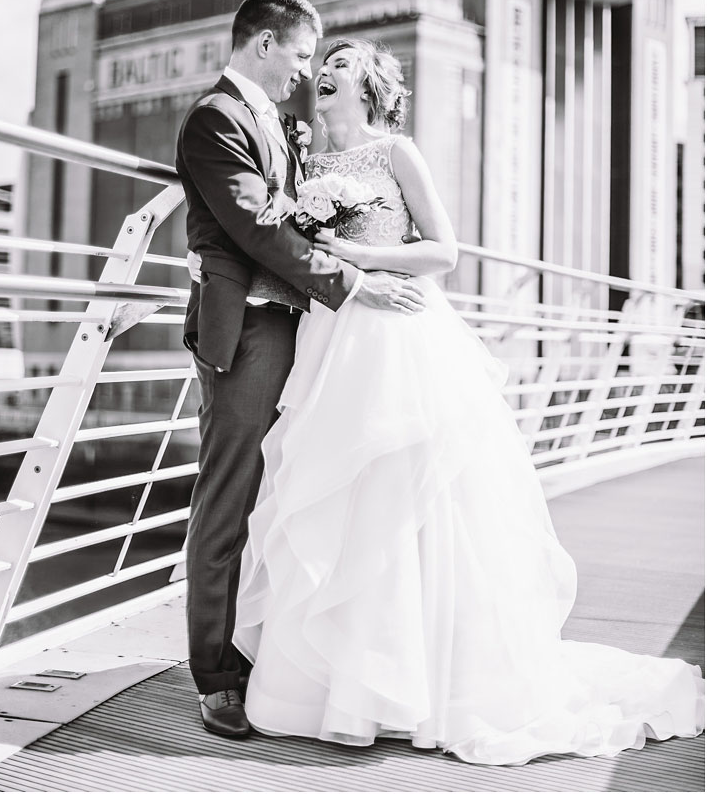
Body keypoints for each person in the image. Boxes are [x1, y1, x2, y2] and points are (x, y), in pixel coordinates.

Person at [232, 38, 705, 763]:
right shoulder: (302, 165)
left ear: (370, 89)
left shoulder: (397, 154)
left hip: (399, 334)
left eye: (340, 70)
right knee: (337, 494)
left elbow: (444, 252)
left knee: (406, 495)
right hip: (328, 338)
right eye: (320, 69)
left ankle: (418, 686)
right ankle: (337, 685)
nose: (323, 76)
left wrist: (361, 255)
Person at [174, 0, 426, 738]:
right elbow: (254, 224)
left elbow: (290, 210)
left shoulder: (285, 126)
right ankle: (216, 676)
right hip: (248, 333)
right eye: (303, 54)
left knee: (288, 495)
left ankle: (269, 654)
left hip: (302, 331)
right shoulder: (216, 119)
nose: (307, 70)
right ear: (264, 46)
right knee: (228, 499)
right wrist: (353, 284)